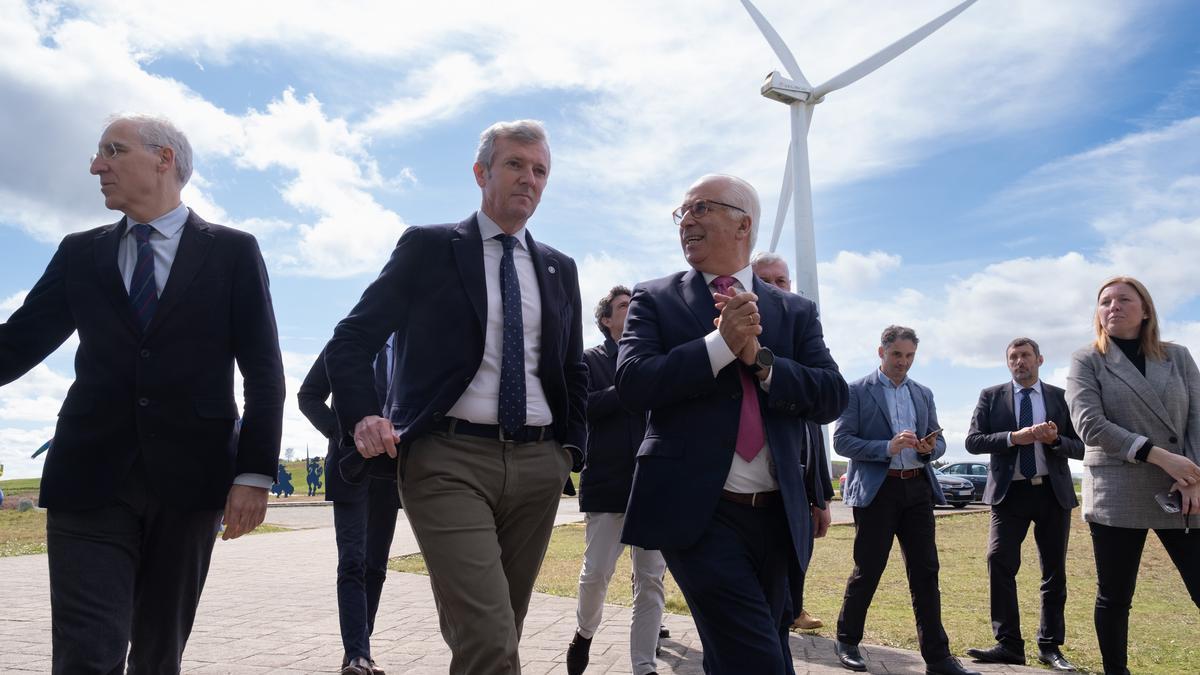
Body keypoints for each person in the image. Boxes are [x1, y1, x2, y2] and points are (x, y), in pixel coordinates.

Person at [0, 114, 285, 673]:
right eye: (97, 153)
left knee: (158, 652)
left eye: (113, 150)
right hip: (89, 473)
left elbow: (263, 370)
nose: (95, 165)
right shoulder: (81, 252)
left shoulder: (232, 252)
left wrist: (254, 473)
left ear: (164, 159)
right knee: (86, 651)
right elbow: (16, 344)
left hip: (191, 477)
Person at [324, 119, 586, 674]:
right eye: (515, 164)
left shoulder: (560, 268)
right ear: (481, 172)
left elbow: (571, 370)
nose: (529, 179)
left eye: (540, 170)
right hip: (447, 461)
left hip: (539, 465)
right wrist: (363, 416)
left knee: (496, 636)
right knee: (490, 640)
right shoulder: (430, 247)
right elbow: (350, 340)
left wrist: (571, 450)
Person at [616, 174, 846, 674]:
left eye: (701, 208)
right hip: (697, 514)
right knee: (759, 658)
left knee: (750, 647)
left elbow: (831, 395)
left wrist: (762, 362)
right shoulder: (654, 298)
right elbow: (634, 383)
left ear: (743, 223)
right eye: (682, 213)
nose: (687, 221)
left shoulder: (794, 309)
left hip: (778, 518)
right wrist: (718, 346)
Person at [1065, 276, 1200, 675]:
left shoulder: (1177, 357)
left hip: (1181, 489)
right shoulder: (1086, 359)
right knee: (1115, 595)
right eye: (1105, 301)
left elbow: (1197, 419)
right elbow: (1089, 424)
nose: (1113, 306)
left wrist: (1193, 477)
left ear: (1146, 310)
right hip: (1118, 489)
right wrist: (1159, 456)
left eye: (1124, 299)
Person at [833, 326, 979, 675]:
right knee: (868, 569)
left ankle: (938, 658)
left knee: (926, 572)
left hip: (917, 490)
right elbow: (841, 442)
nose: (904, 362)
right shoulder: (856, 391)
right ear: (880, 352)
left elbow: (939, 440)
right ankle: (847, 640)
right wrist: (887, 447)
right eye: (897, 355)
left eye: (910, 356)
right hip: (878, 491)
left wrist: (931, 448)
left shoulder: (922, 393)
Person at [964, 338, 1083, 671]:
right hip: (1009, 494)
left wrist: (1055, 440)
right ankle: (1009, 645)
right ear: (1008, 363)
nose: (1019, 362)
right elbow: (972, 441)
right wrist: (1013, 438)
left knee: (1053, 571)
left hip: (1051, 493)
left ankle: (1050, 646)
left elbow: (1083, 446)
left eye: (1025, 356)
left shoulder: (1061, 397)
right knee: (998, 561)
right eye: (1013, 357)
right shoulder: (991, 396)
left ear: (1040, 359)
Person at [565, 286, 665, 675]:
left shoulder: (654, 360)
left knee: (651, 580)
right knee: (596, 574)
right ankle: (584, 634)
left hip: (653, 486)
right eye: (624, 306)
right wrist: (629, 388)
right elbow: (583, 407)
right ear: (606, 320)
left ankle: (644, 666)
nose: (633, 310)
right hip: (607, 484)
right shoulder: (588, 361)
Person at [298, 342, 401, 675]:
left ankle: (360, 651)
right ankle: (358, 654)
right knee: (353, 561)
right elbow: (308, 395)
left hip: (393, 470)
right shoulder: (343, 344)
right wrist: (343, 435)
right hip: (349, 468)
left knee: (376, 565)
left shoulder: (410, 343)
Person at [752, 250, 828, 633]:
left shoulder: (804, 338)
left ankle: (793, 614)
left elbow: (815, 434)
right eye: (763, 281)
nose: (773, 289)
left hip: (796, 495)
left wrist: (820, 498)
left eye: (780, 282)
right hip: (743, 498)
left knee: (785, 591)